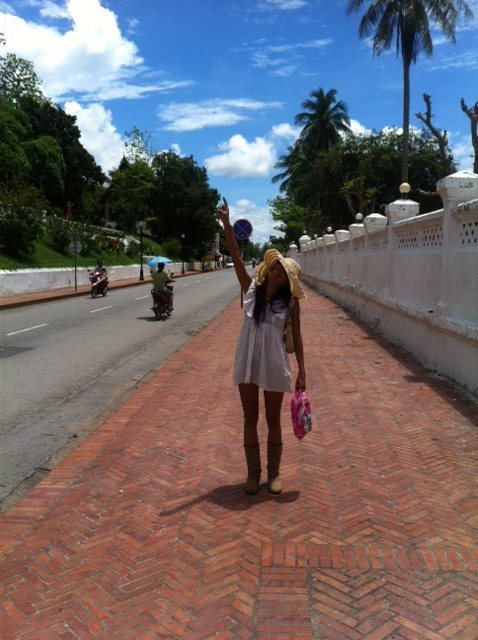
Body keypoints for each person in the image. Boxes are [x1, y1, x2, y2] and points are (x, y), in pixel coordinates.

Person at [217, 197, 306, 495]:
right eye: (275, 268)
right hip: (247, 359)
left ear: (287, 280)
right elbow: (236, 258)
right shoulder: (250, 290)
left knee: (272, 419)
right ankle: (253, 474)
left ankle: (275, 474)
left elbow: (300, 337)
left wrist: (302, 370)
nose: (276, 273)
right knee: (249, 418)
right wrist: (227, 225)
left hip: (273, 362)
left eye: (282, 271)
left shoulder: (290, 303)